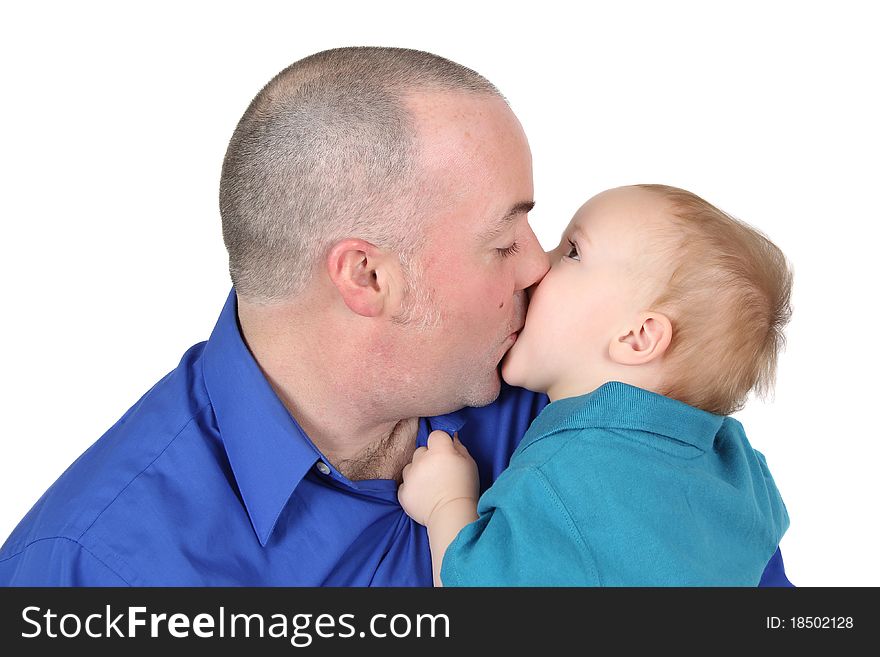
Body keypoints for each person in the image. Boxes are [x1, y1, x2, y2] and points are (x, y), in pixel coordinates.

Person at [0, 48, 790, 586]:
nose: (538, 263)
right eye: (501, 238)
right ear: (368, 276)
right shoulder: (90, 567)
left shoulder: (583, 404)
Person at [398, 184, 793, 586]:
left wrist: (446, 501)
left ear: (637, 337)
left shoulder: (565, 476)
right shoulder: (741, 468)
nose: (537, 265)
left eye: (572, 251)